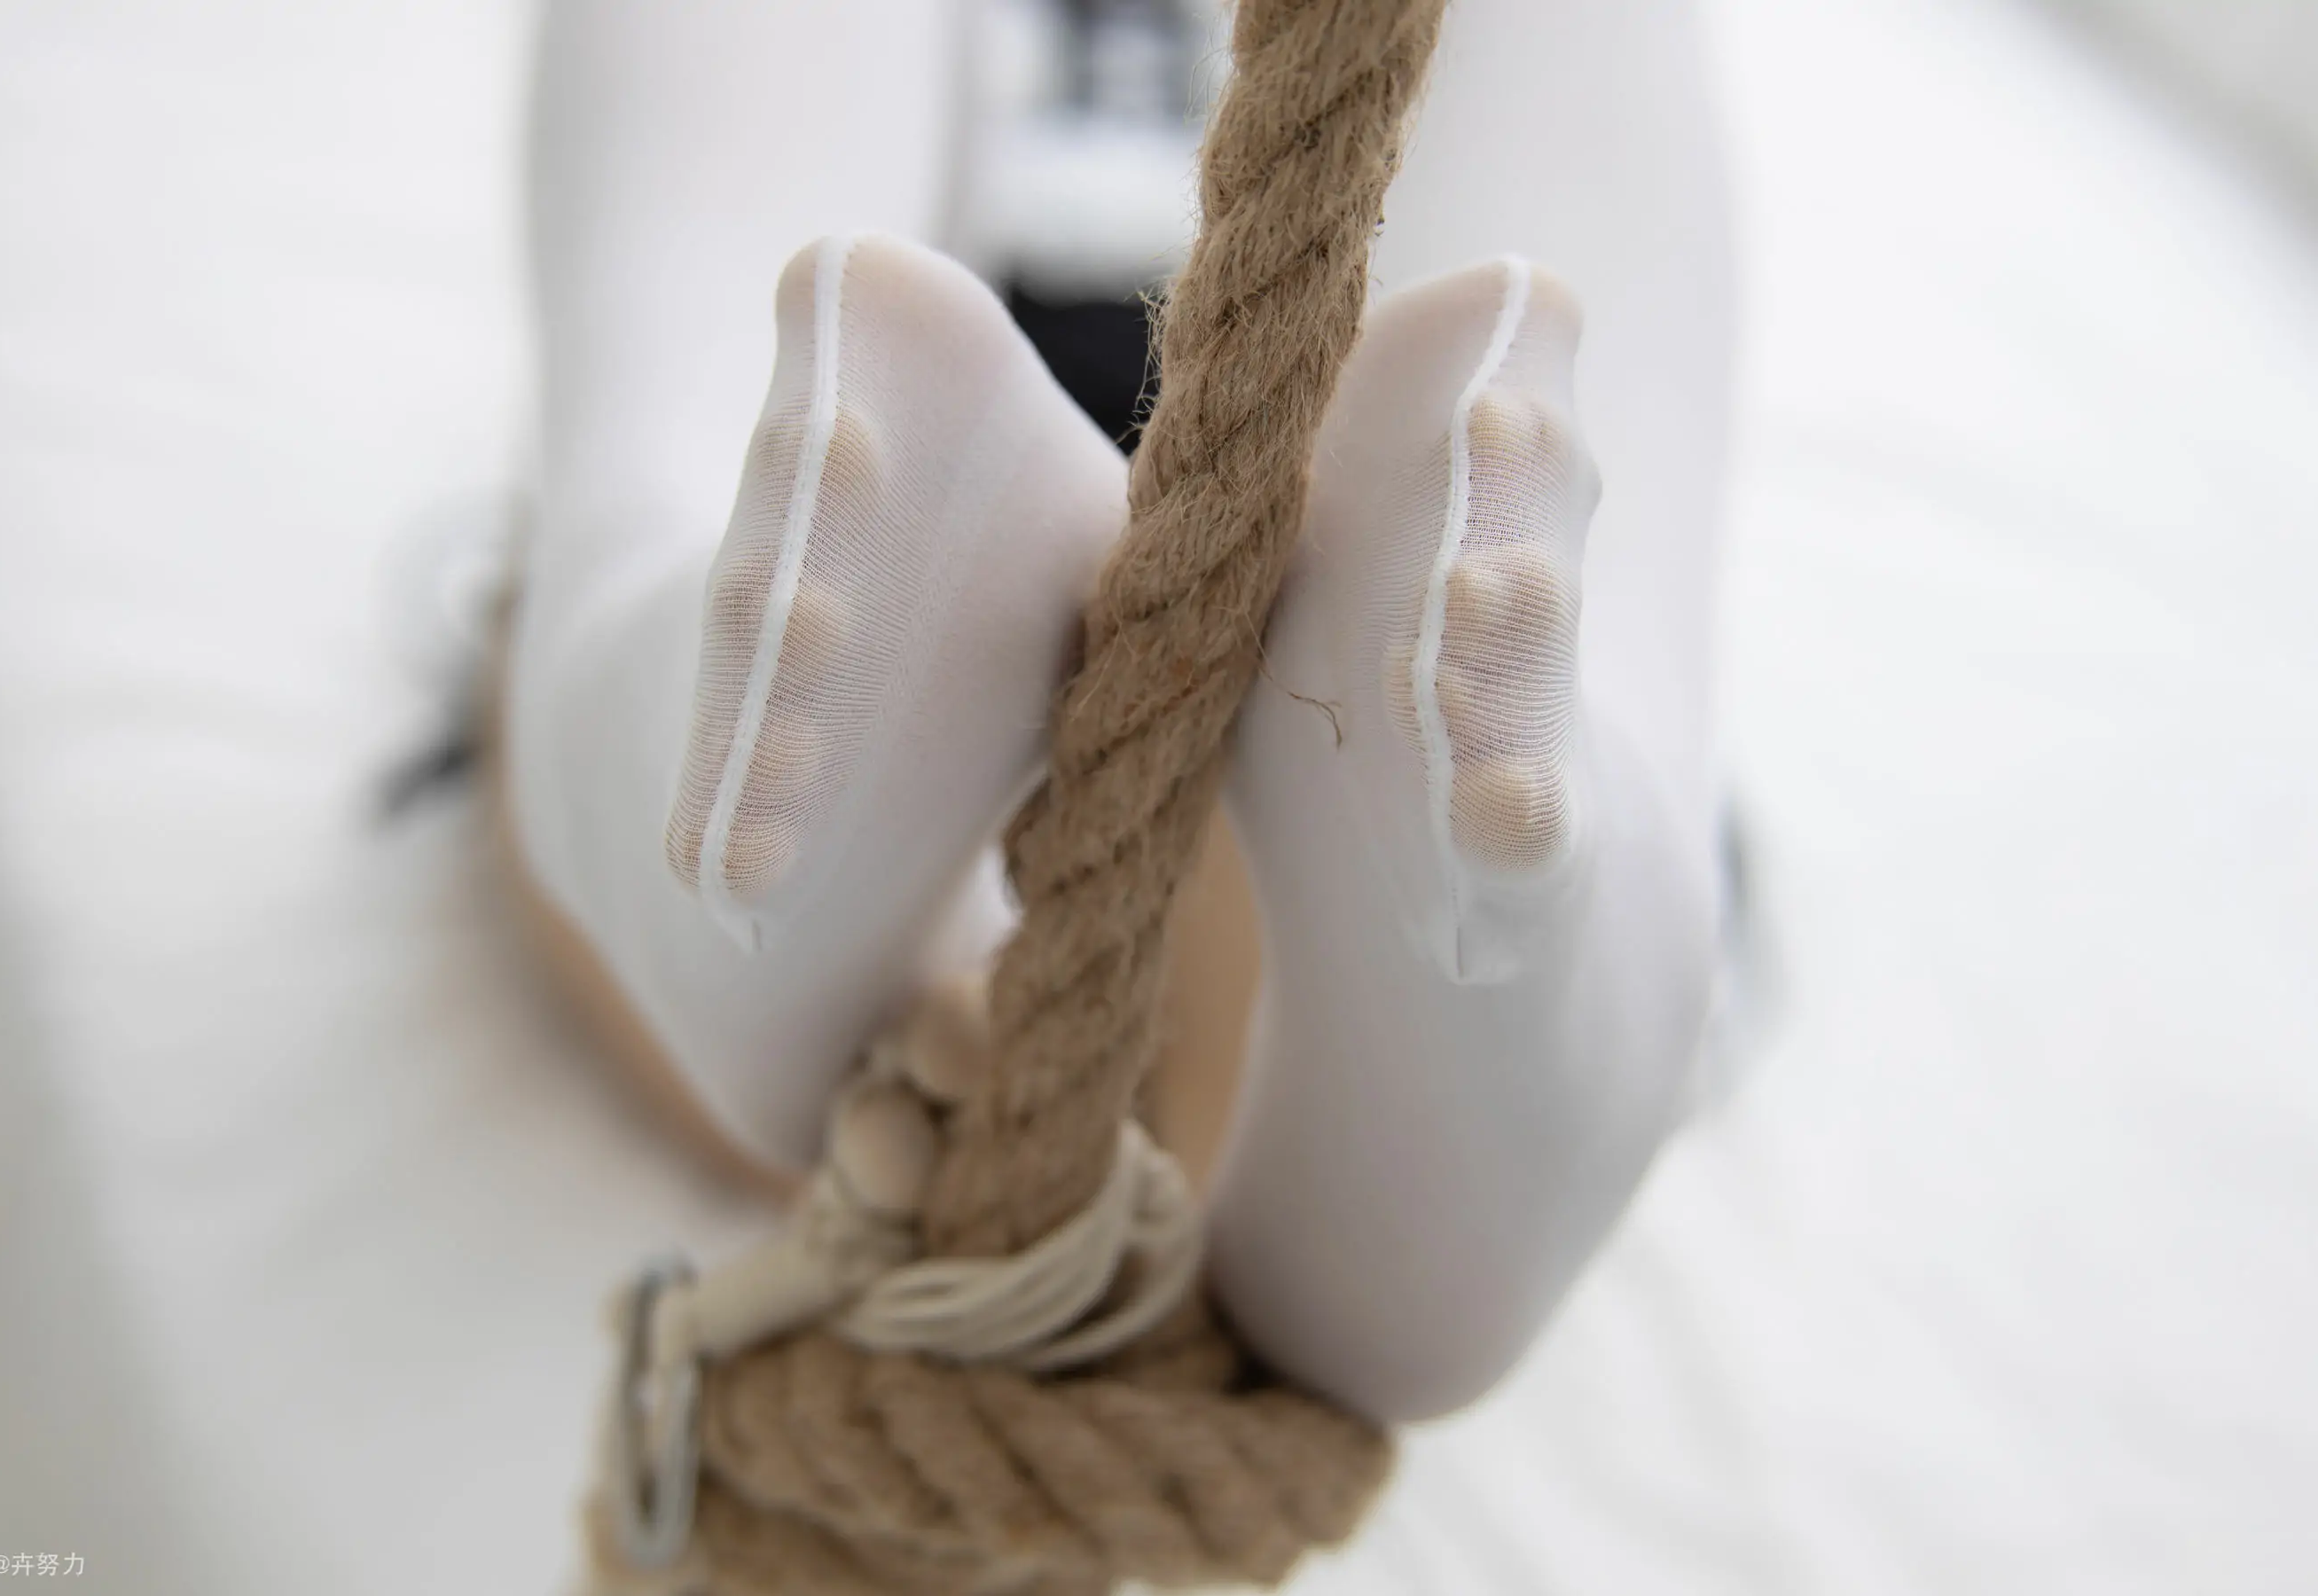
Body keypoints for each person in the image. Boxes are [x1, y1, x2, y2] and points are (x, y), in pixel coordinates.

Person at [502, 0, 1736, 1425]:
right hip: (1143, 588)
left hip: (1283, 590)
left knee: (695, 450)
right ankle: (1528, 1001)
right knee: (1517, 570)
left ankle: (669, 740)